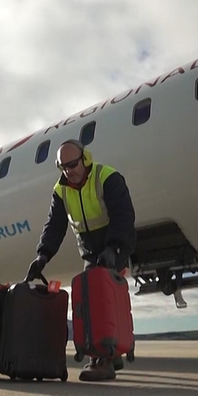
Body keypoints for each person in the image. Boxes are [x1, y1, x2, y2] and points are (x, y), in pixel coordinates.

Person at [25, 139, 136, 382]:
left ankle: (101, 359)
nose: (69, 171)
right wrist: (42, 255)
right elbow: (54, 225)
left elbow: (123, 215)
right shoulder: (61, 189)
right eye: (62, 167)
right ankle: (111, 352)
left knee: (100, 295)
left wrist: (114, 247)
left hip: (112, 242)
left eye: (73, 164)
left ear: (85, 159)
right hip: (89, 249)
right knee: (89, 295)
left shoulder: (106, 177)